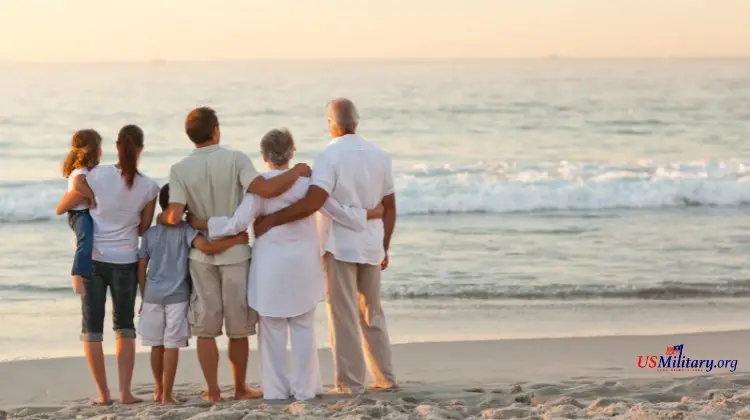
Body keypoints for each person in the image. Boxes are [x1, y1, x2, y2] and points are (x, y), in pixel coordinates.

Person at [188, 128, 384, 400]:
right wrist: (370, 214)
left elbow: (236, 223)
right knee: (303, 327)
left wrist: (200, 223)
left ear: (264, 155)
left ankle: (277, 391)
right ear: (292, 152)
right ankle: (306, 389)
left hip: (270, 267)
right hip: (303, 264)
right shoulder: (308, 183)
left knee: (271, 330)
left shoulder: (258, 188)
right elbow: (337, 212)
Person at [158, 107, 311, 402]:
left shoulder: (179, 169)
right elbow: (264, 190)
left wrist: (170, 219)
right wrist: (297, 171)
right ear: (216, 130)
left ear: (190, 136)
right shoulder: (237, 159)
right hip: (237, 253)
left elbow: (175, 215)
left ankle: (214, 391)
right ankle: (240, 388)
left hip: (201, 257)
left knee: (206, 327)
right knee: (237, 327)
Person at [253, 99, 398, 394]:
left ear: (332, 124)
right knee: (372, 313)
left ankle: (351, 382)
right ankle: (385, 377)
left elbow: (315, 201)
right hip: (371, 244)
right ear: (355, 122)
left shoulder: (328, 156)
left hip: (340, 246)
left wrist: (272, 220)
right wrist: (385, 244)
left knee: (343, 314)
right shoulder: (380, 155)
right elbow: (390, 206)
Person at [57, 124, 160, 405]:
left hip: (93, 259)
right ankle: (125, 393)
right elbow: (143, 228)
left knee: (92, 328)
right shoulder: (149, 187)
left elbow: (70, 200)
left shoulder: (96, 174)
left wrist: (87, 200)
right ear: (140, 149)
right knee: (124, 327)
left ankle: (104, 395)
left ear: (116, 147)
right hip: (126, 259)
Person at [137, 184, 250, 405]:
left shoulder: (149, 234)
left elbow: (142, 264)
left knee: (156, 344)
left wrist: (143, 293)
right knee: (171, 344)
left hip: (152, 296)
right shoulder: (187, 231)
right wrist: (237, 240)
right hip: (177, 296)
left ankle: (158, 391)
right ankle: (168, 396)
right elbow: (207, 248)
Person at [55, 129, 102, 296]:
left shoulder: (87, 170)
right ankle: (80, 272)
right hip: (79, 214)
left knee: (86, 241)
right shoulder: (80, 172)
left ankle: (83, 273)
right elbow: (78, 183)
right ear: (93, 150)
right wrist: (91, 197)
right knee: (85, 241)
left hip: (81, 213)